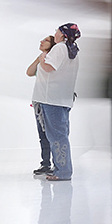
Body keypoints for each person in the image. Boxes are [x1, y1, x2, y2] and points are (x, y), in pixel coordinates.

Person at [33, 23, 81, 181]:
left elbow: (48, 67)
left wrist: (41, 59)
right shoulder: (72, 50)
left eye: (57, 31)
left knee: (57, 137)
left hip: (52, 99)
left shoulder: (60, 48)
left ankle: (63, 172)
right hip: (62, 99)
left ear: (63, 34)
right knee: (60, 135)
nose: (55, 32)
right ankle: (61, 168)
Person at [27, 35, 56, 176]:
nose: (41, 41)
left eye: (45, 40)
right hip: (39, 102)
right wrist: (39, 58)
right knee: (42, 135)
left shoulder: (52, 61)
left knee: (51, 135)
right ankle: (45, 164)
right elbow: (29, 72)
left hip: (49, 102)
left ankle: (56, 165)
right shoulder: (42, 59)